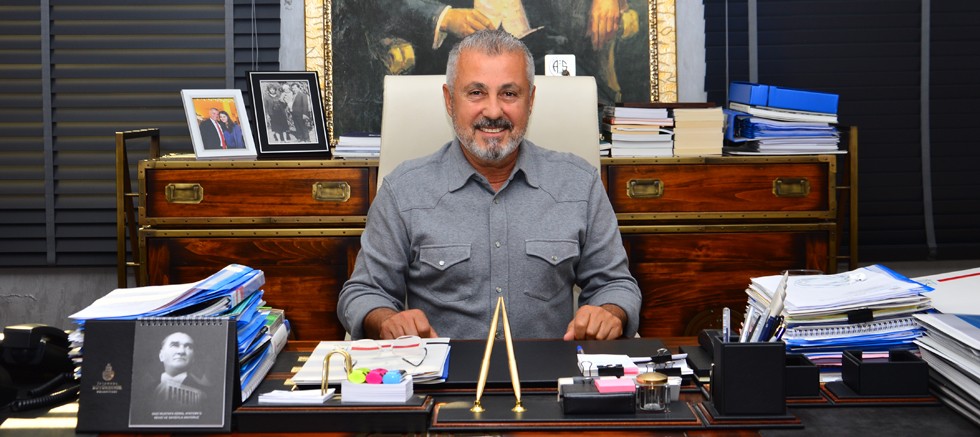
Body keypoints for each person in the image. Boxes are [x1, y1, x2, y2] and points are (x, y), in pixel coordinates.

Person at [337, 29, 641, 342]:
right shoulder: (403, 191)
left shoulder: (579, 184)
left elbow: (616, 285)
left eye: (509, 94)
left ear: (531, 101)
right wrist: (387, 321)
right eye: (476, 93)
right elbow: (363, 292)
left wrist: (609, 312)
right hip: (444, 372)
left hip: (549, 370)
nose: (494, 112)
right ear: (449, 100)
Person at [153, 331, 210, 408]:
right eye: (174, 345)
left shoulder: (205, 394)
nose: (181, 351)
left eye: (188, 347)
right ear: (161, 356)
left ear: (193, 358)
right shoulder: (145, 391)